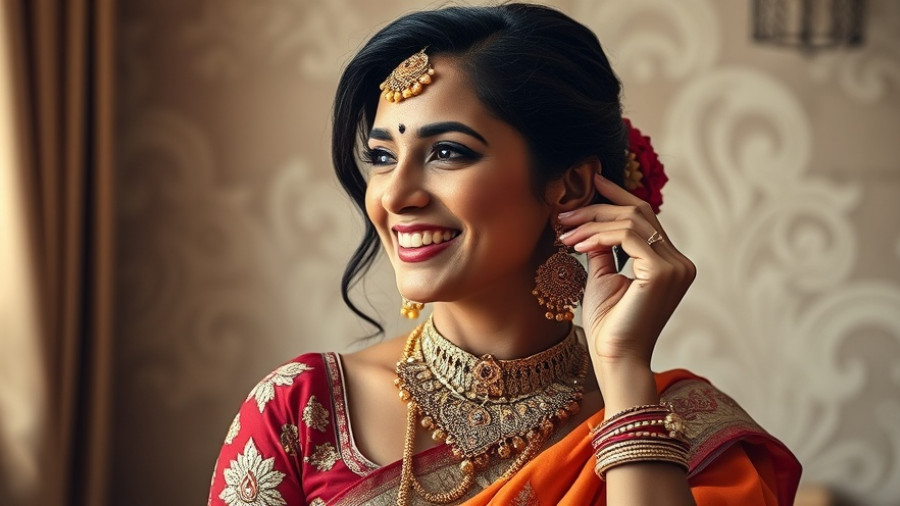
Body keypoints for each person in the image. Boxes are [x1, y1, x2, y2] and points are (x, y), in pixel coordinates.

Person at [207, 4, 801, 505]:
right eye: (383, 157)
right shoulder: (302, 413)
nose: (396, 195)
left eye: (447, 153)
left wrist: (622, 371)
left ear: (567, 186)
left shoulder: (687, 424)